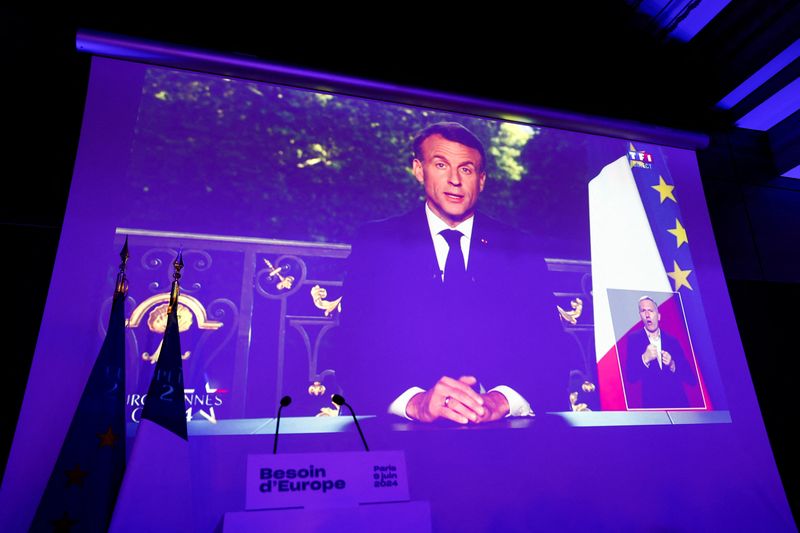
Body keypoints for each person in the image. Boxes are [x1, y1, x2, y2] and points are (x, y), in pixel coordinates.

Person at [335, 122, 567, 424]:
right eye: (441, 165)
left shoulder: (519, 247)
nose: (454, 179)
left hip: (501, 432)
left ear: (481, 180)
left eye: (467, 169)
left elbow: (552, 351)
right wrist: (415, 403)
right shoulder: (377, 242)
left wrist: (502, 401)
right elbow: (352, 348)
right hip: (402, 429)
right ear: (419, 170)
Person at [624, 296, 695, 408]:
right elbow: (630, 377)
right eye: (643, 311)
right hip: (652, 407)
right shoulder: (633, 339)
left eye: (651, 310)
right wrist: (644, 359)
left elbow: (691, 378)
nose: (647, 314)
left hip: (678, 403)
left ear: (658, 316)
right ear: (640, 316)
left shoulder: (672, 340)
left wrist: (672, 364)